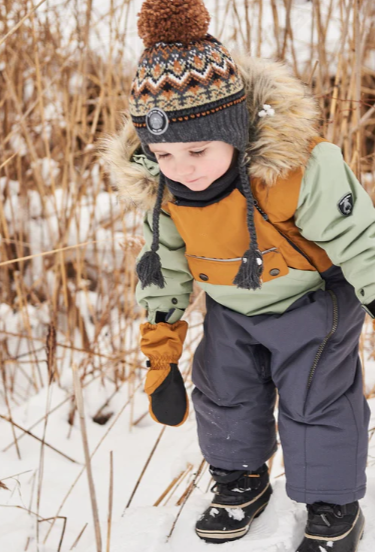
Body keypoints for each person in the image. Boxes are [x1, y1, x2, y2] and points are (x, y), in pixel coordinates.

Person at [100, 0, 375, 550]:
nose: (183, 169)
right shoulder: (166, 190)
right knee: (221, 389)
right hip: (232, 308)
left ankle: (330, 501)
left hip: (313, 304)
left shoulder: (299, 170)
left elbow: (362, 241)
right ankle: (239, 481)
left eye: (198, 149)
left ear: (233, 129)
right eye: (164, 153)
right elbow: (163, 268)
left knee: (315, 396)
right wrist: (161, 350)